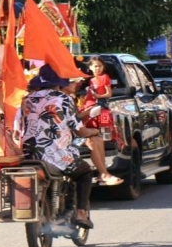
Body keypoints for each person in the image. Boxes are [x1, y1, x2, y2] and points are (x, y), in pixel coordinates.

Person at [20, 64, 96, 229]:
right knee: (85, 172)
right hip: (55, 154)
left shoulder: (27, 99)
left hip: (28, 152)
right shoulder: (64, 99)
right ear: (60, 82)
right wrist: (92, 131)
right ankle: (81, 213)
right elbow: (79, 130)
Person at [62, 80, 123, 186]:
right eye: (72, 82)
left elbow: (75, 118)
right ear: (64, 85)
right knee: (91, 141)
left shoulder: (69, 98)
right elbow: (74, 122)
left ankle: (102, 174)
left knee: (98, 138)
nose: (76, 84)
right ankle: (104, 174)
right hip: (66, 136)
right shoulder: (64, 100)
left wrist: (87, 113)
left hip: (73, 133)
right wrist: (89, 125)